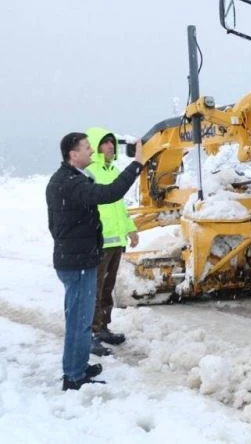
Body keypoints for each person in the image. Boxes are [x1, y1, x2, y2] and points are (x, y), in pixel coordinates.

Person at [46, 132, 144, 391]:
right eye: (87, 147)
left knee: (81, 320)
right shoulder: (69, 183)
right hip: (77, 263)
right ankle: (73, 377)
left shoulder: (68, 180)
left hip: (78, 259)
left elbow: (54, 226)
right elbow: (110, 193)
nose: (92, 151)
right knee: (79, 322)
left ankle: (78, 367)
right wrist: (137, 164)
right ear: (73, 154)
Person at [85, 128, 139, 356]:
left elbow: (120, 208)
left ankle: (103, 326)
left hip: (115, 242)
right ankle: (91, 333)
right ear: (96, 146)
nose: (110, 147)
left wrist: (131, 229)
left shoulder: (113, 170)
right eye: (105, 143)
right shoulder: (90, 172)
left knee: (107, 288)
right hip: (99, 242)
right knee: (94, 290)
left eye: (112, 143)